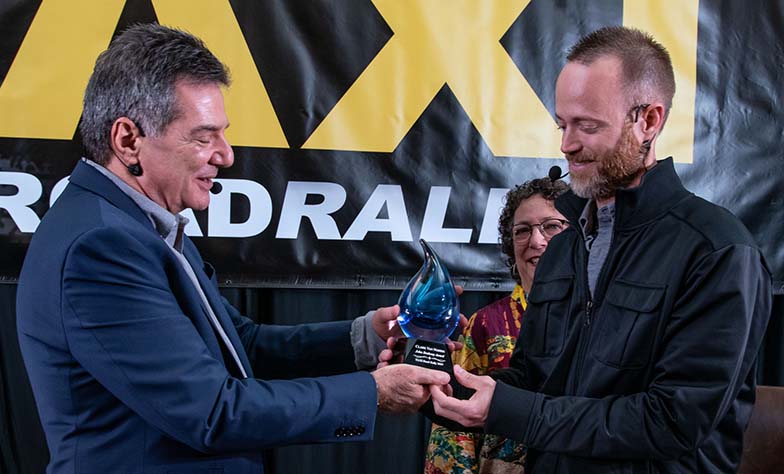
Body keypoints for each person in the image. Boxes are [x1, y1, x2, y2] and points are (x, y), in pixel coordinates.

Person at [15, 24, 449, 474]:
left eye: (221, 135)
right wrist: (372, 392)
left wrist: (364, 337)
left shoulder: (136, 225)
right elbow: (212, 413)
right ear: (128, 140)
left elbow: (239, 346)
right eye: (203, 137)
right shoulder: (101, 246)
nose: (225, 155)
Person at [427, 26, 772, 473]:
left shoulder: (718, 252)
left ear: (648, 121)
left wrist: (511, 410)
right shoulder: (563, 250)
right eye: (563, 124)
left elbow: (672, 421)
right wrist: (434, 382)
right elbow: (532, 379)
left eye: (587, 126)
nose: (567, 143)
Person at [425, 178, 568, 474]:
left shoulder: (604, 318)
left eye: (552, 227)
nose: (536, 241)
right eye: (523, 230)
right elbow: (454, 435)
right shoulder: (487, 323)